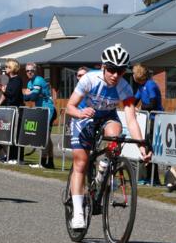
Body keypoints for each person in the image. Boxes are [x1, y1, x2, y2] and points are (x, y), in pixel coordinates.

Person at [66, 44, 151, 229]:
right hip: (84, 116)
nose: (115, 75)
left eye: (120, 71)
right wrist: (79, 114)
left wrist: (141, 146)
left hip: (107, 117)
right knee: (81, 162)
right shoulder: (89, 79)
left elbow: (131, 119)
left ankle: (104, 168)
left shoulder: (124, 87)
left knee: (116, 134)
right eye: (112, 69)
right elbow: (69, 106)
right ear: (103, 67)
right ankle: (79, 212)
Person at [132, 63, 163, 185]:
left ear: (139, 74)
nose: (133, 75)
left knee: (151, 147)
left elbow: (153, 103)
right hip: (147, 120)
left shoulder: (150, 85)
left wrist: (141, 108)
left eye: (134, 73)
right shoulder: (141, 86)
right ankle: (148, 177)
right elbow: (134, 100)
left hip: (156, 119)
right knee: (147, 147)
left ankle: (154, 179)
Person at [23, 62, 56, 168]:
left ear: (35, 70)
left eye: (31, 70)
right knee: (47, 137)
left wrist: (29, 94)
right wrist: (28, 94)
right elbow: (26, 98)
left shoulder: (38, 80)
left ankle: (42, 161)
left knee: (44, 136)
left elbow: (32, 97)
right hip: (41, 109)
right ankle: (50, 161)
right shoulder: (29, 82)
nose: (29, 72)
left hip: (48, 110)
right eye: (27, 71)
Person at [0, 59, 24, 164]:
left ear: (12, 68)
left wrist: (4, 91)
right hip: (11, 110)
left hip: (17, 110)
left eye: (7, 67)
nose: (5, 69)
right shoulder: (10, 80)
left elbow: (13, 96)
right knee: (11, 134)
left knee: (16, 134)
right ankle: (11, 156)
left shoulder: (17, 80)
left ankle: (17, 158)